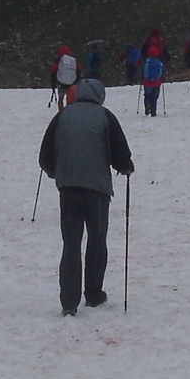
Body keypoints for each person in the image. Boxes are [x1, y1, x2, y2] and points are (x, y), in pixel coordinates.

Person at [37, 78, 135, 315]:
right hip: (97, 189)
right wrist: (126, 168)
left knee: (71, 244)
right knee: (97, 241)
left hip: (68, 188)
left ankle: (69, 303)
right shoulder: (105, 116)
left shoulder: (62, 116)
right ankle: (93, 294)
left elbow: (45, 156)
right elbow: (121, 152)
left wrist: (58, 173)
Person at [140, 50, 164, 115]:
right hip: (157, 82)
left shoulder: (146, 61)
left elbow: (142, 70)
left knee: (147, 95)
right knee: (154, 97)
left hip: (147, 82)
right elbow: (163, 71)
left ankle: (147, 106)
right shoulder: (159, 62)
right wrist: (162, 78)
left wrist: (141, 77)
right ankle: (153, 111)